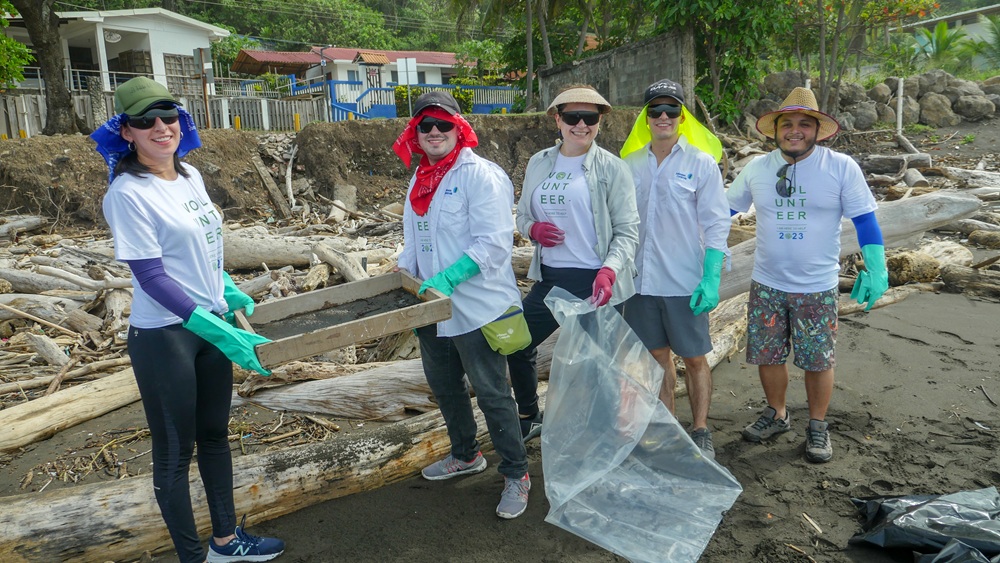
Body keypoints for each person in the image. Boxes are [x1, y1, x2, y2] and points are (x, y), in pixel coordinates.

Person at [93, 76, 285, 562]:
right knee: (174, 454)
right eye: (145, 120)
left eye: (168, 116)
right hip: (166, 335)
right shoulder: (127, 193)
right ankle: (191, 557)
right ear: (127, 132)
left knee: (216, 437)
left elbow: (205, 250)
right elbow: (152, 277)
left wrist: (224, 287)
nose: (161, 127)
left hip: (209, 325)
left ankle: (225, 542)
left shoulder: (190, 176)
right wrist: (207, 322)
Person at [727, 87, 889, 463]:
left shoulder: (840, 167)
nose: (795, 131)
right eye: (787, 124)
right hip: (767, 282)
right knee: (767, 355)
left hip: (817, 286)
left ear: (817, 129)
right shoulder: (757, 168)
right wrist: (708, 256)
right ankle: (777, 414)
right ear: (775, 129)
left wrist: (877, 267)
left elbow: (865, 219)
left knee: (818, 361)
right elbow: (724, 210)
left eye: (804, 124)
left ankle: (817, 425)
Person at [392, 91, 531, 519]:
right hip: (431, 307)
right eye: (425, 126)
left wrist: (450, 278)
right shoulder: (420, 178)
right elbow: (415, 241)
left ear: (459, 126)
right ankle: (465, 454)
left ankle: (517, 473)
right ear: (415, 132)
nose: (434, 132)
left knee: (491, 392)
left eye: (442, 124)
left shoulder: (481, 176)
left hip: (478, 306)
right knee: (446, 387)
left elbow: (493, 243)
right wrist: (407, 282)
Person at [509, 84, 640, 443]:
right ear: (557, 119)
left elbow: (629, 231)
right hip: (550, 279)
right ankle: (529, 415)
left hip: (597, 282)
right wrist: (533, 228)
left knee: (600, 365)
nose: (580, 125)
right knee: (517, 343)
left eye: (589, 118)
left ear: (599, 122)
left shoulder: (613, 169)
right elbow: (521, 216)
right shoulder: (539, 162)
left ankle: (609, 434)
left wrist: (610, 269)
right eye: (572, 117)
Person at [619, 79, 731, 460]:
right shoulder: (630, 165)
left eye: (671, 110)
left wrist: (712, 276)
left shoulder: (701, 163)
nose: (663, 116)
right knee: (655, 359)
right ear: (646, 117)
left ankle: (700, 429)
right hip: (640, 283)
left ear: (682, 116)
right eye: (655, 110)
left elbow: (717, 224)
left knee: (695, 359)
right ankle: (667, 427)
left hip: (685, 281)